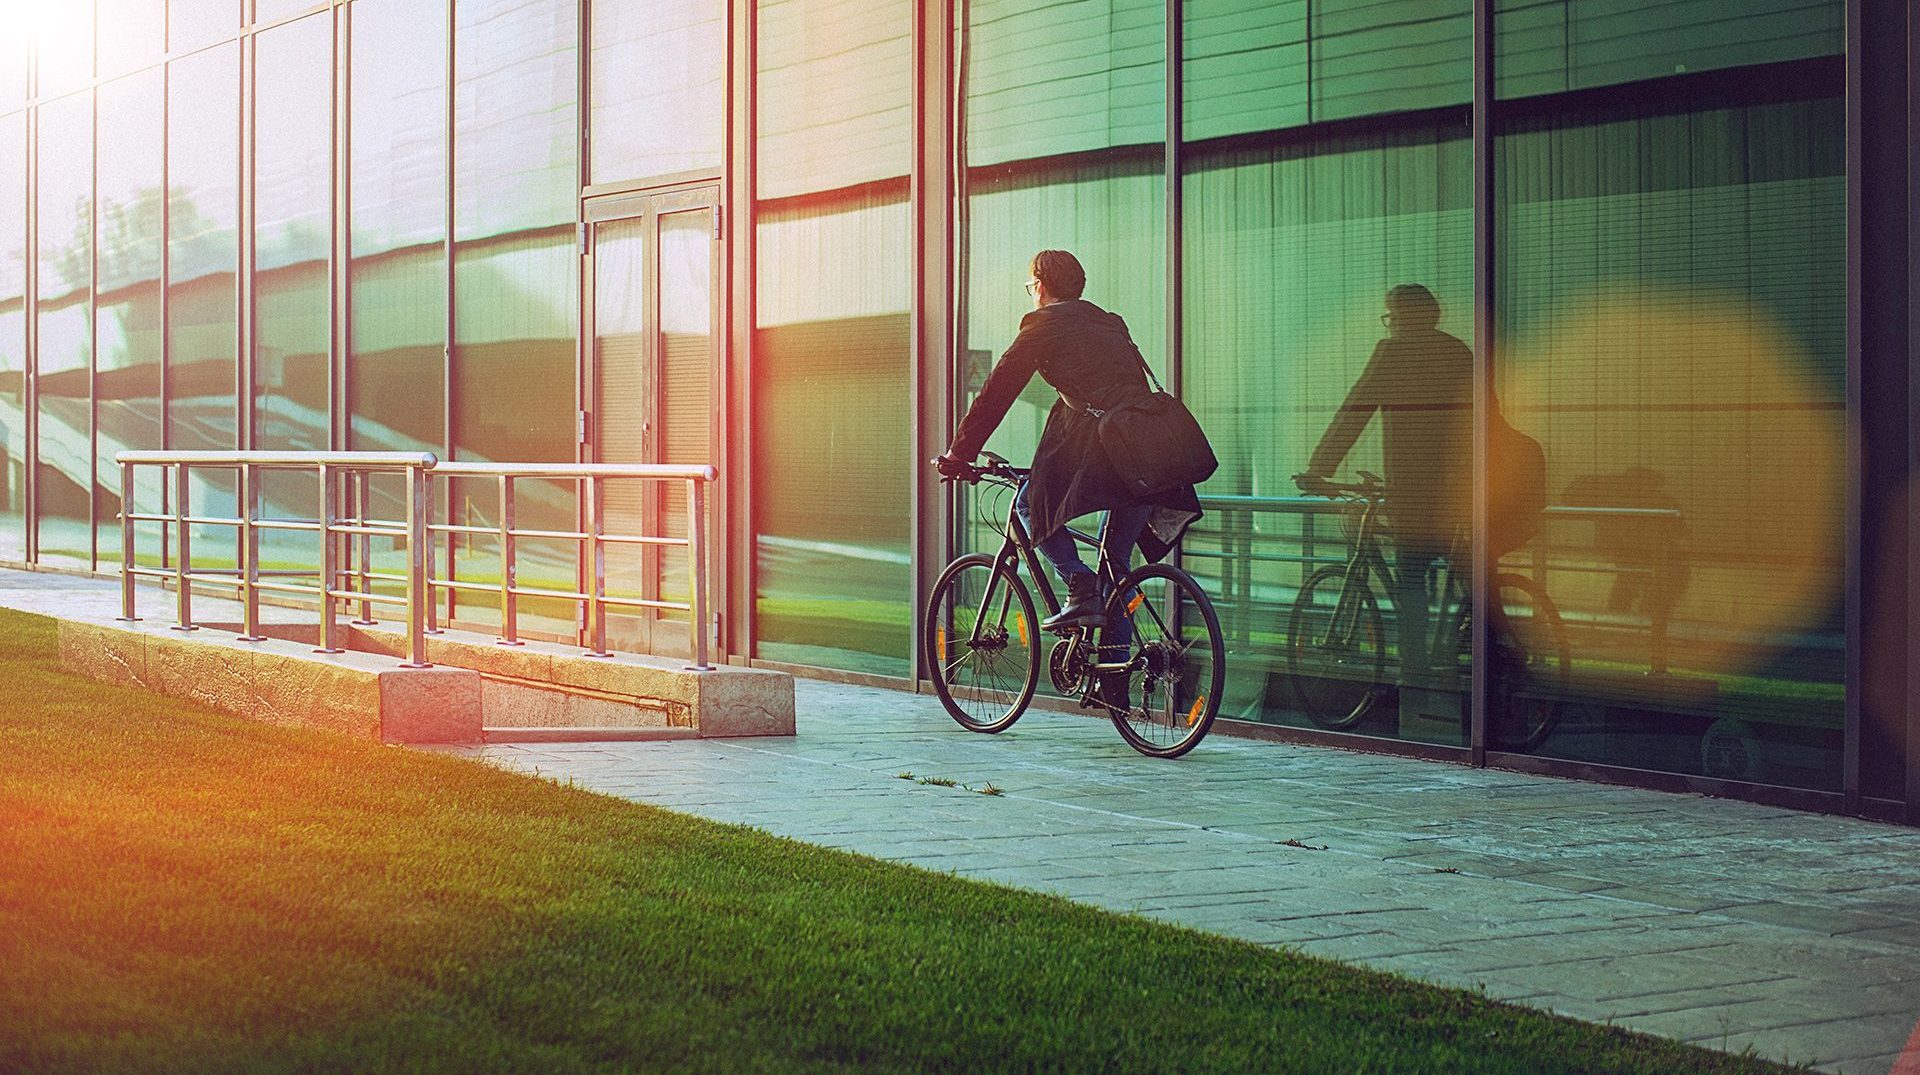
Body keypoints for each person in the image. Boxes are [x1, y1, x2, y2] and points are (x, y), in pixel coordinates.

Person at [934, 249, 1201, 708]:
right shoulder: (1109, 322)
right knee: (1116, 565)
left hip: (1097, 451)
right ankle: (1113, 684)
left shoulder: (1043, 324)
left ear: (1040, 283)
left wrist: (961, 453)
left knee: (1025, 504)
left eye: (1029, 284)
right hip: (1146, 458)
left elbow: (998, 390)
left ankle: (1077, 584)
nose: (1031, 292)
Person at [1297, 284, 1472, 688]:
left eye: (1392, 315)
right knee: (1470, 572)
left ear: (1407, 316)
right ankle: (1491, 639)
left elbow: (1354, 412)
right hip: (1462, 489)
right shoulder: (1459, 352)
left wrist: (1319, 469)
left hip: (1415, 493)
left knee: (1411, 577)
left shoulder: (1395, 353)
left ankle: (1415, 674)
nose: (1390, 324)